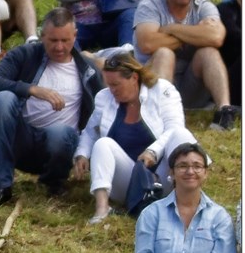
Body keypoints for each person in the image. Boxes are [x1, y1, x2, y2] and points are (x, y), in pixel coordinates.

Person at [0, 9, 101, 207]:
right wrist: (31, 89)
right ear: (42, 36)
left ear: (75, 36)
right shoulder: (26, 54)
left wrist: (86, 153)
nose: (59, 47)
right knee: (3, 98)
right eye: (53, 40)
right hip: (22, 141)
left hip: (61, 146)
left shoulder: (89, 70)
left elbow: (103, 114)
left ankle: (54, 182)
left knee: (60, 132)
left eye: (65, 40)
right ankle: (1, 187)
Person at [83, 52, 195, 225]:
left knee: (182, 135)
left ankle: (185, 202)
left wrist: (153, 151)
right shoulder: (103, 97)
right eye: (109, 85)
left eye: (116, 84)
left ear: (134, 78)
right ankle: (102, 209)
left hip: (164, 176)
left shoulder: (162, 89)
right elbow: (90, 132)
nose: (112, 90)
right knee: (103, 143)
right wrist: (82, 154)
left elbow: (175, 127)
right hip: (127, 180)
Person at [131, 0, 234, 124]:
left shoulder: (203, 6)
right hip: (153, 82)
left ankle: (225, 111)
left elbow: (216, 37)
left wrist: (172, 29)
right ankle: (160, 115)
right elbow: (147, 43)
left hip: (190, 87)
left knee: (209, 52)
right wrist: (195, 35)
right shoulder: (151, 4)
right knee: (164, 53)